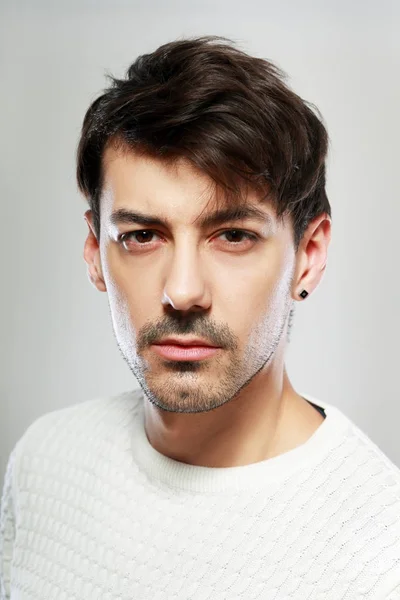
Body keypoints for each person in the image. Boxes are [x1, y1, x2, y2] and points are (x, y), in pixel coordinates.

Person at [1, 35, 399, 600]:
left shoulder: (383, 555)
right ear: (95, 253)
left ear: (307, 258)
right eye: (142, 236)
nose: (183, 291)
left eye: (233, 236)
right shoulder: (43, 462)